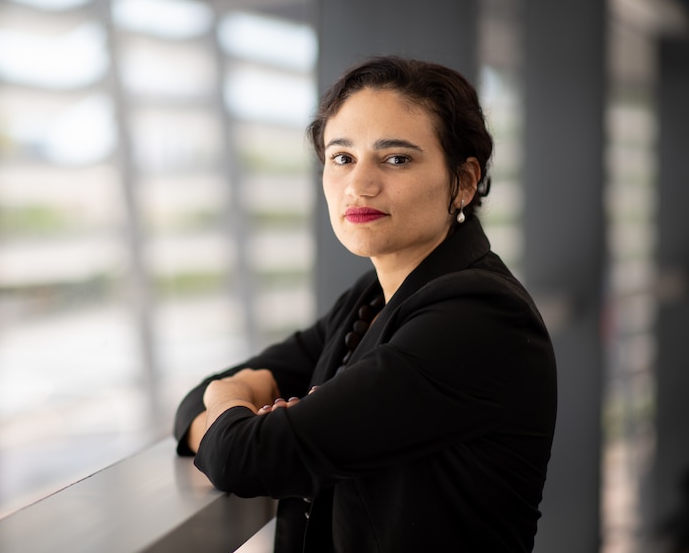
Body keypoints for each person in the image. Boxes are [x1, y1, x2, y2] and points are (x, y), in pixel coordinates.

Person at [173, 56, 557, 552]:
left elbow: (245, 457)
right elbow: (190, 407)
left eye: (396, 158)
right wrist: (233, 406)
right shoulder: (371, 298)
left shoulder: (477, 316)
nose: (359, 184)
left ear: (462, 182)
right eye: (342, 157)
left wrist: (229, 399)